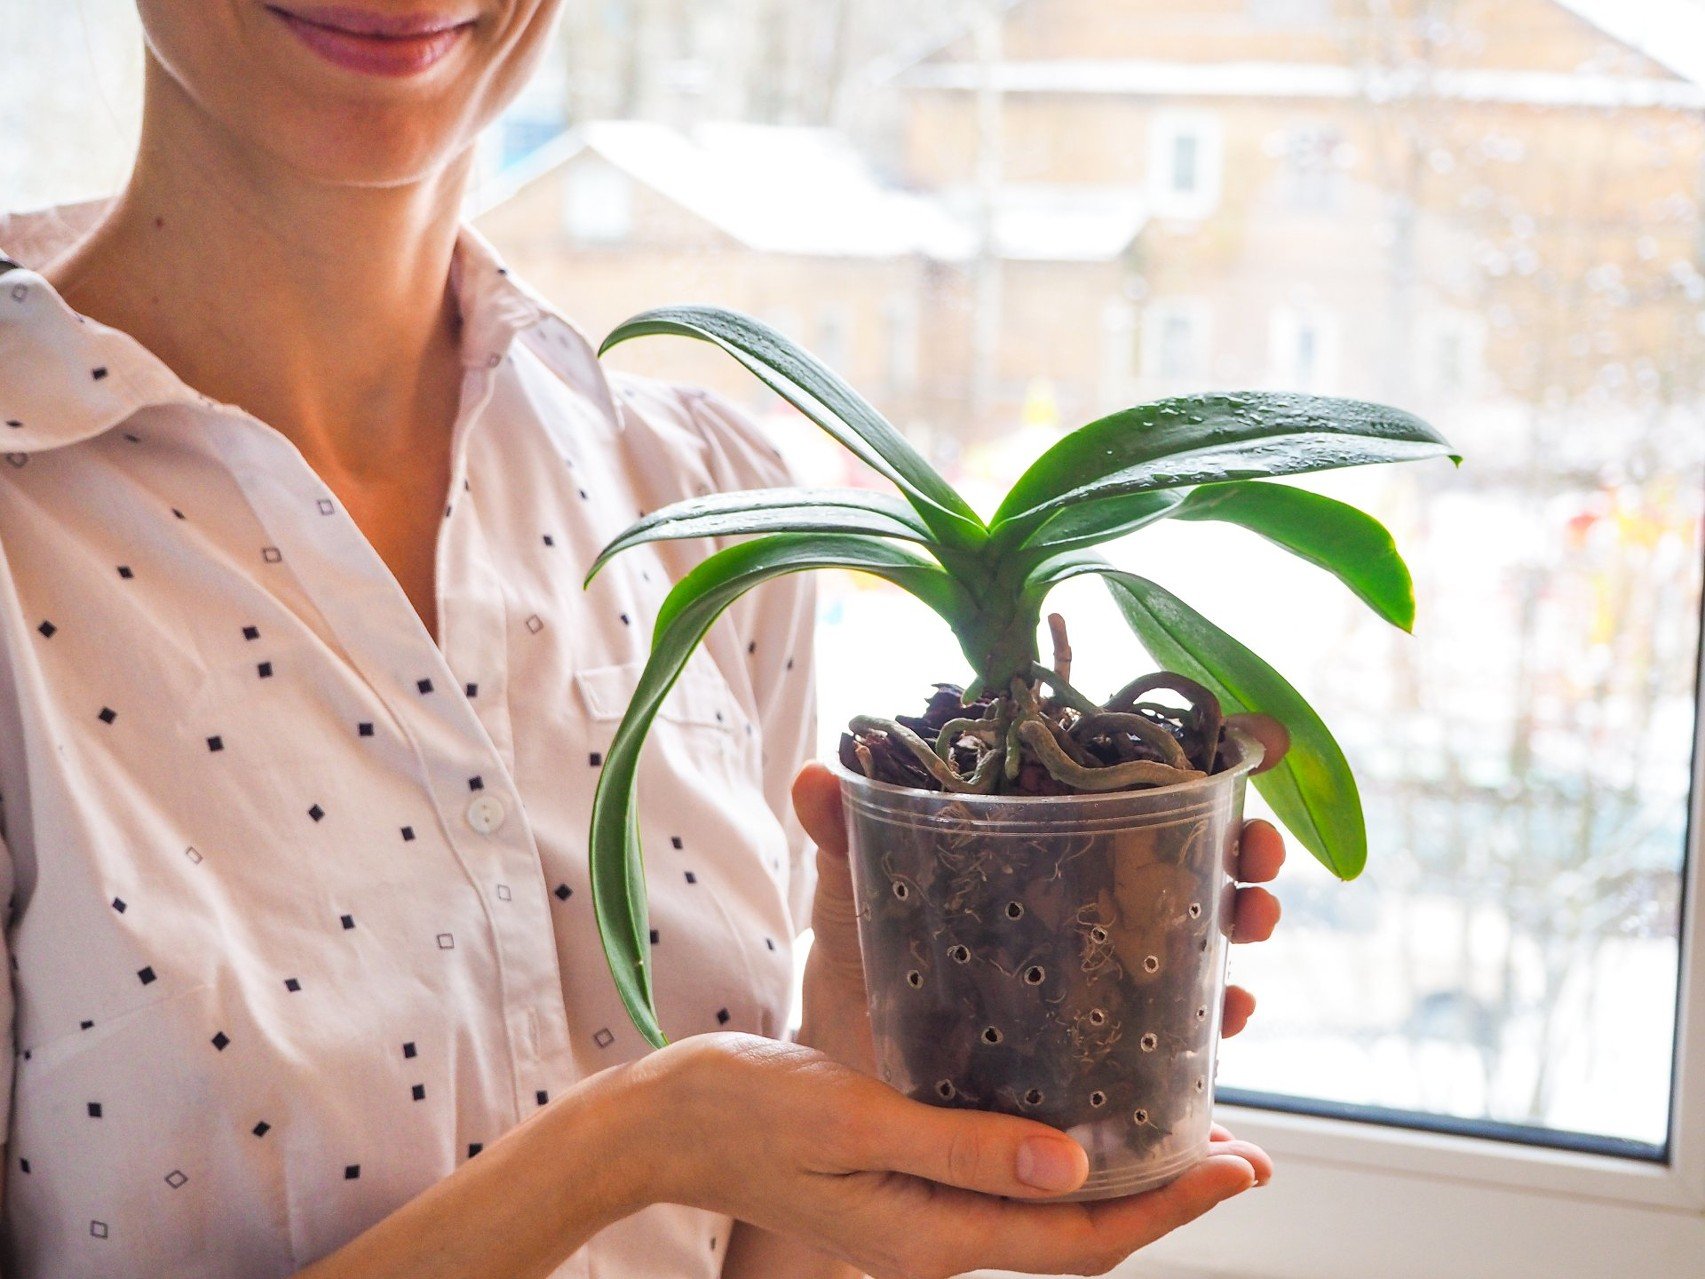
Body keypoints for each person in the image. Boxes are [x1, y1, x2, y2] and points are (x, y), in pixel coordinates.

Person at [0, 2, 1286, 1275]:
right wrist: (630, 1147)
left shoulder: (702, 502)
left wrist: (857, 1038)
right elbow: (665, 1152)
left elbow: (753, 1251)